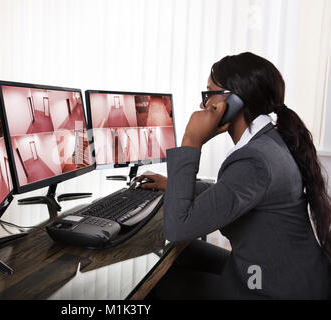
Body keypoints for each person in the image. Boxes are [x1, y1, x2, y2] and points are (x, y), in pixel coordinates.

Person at [138, 52, 330, 299]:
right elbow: (232, 192)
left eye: (208, 94)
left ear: (235, 101)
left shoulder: (255, 160)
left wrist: (191, 141)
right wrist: (172, 184)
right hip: (278, 273)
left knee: (155, 286)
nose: (202, 105)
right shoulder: (270, 140)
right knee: (176, 256)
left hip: (272, 288)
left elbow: (177, 228)